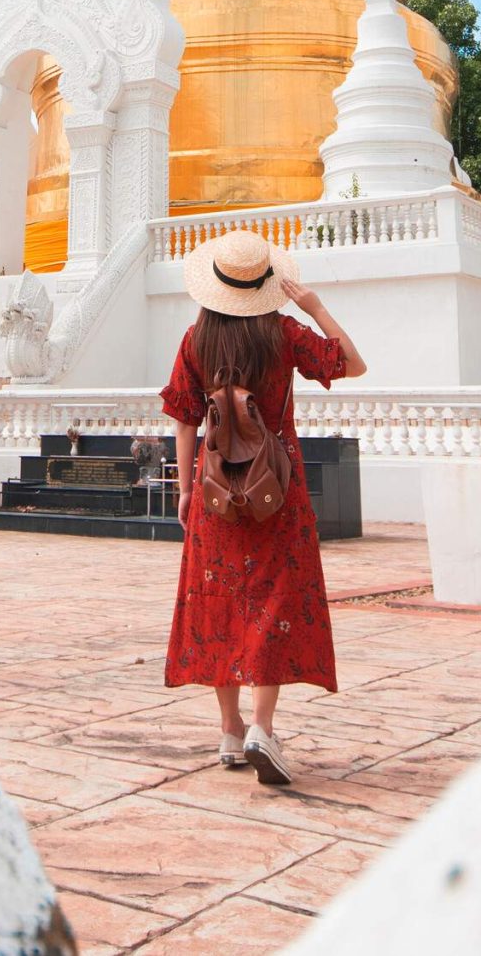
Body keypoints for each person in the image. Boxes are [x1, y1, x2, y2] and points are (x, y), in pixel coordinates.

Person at [161, 227, 367, 787]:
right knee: (272, 599)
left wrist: (183, 490)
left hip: (214, 491)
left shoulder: (195, 340)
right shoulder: (283, 334)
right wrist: (316, 307)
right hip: (276, 488)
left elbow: (183, 420)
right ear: (265, 284)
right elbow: (351, 364)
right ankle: (261, 726)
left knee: (217, 601)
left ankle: (229, 732)